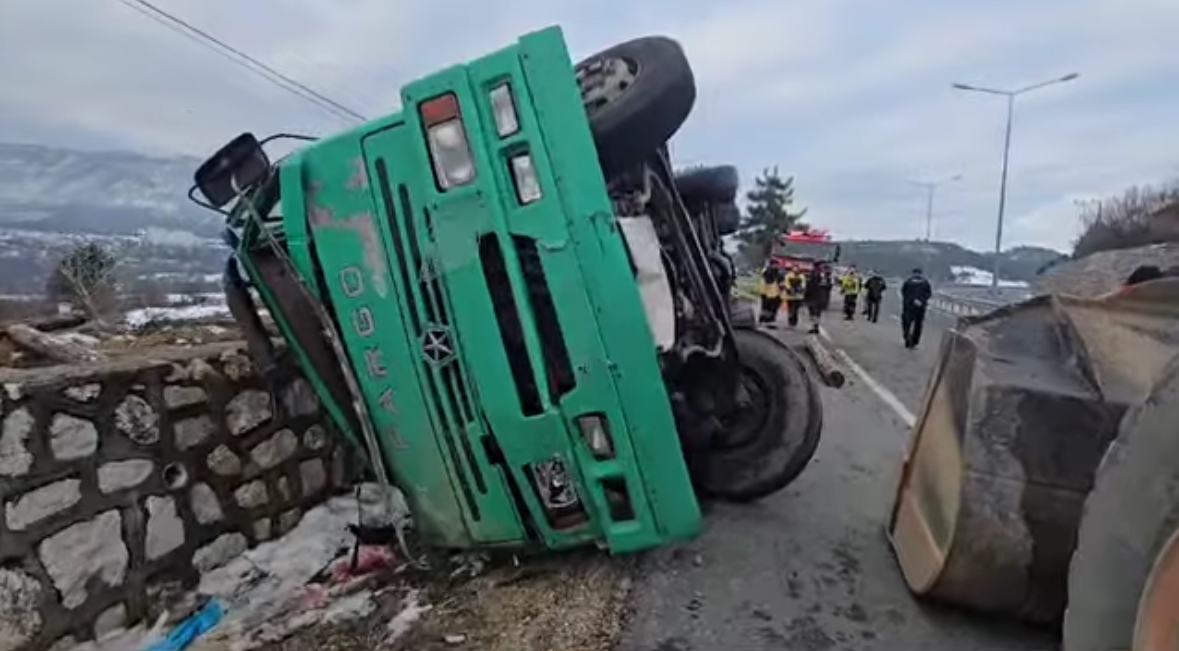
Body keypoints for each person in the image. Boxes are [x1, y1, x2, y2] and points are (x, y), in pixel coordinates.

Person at [900, 267, 933, 349]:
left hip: (908, 306)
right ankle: (914, 341)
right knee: (918, 324)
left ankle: (907, 338)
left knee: (907, 323)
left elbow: (903, 292)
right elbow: (929, 294)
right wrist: (921, 300)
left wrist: (910, 300)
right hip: (921, 306)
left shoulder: (908, 282)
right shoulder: (925, 283)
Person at [803, 262, 828, 334]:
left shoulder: (815, 274)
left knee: (813, 313)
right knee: (817, 313)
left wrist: (805, 295)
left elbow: (810, 286)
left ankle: (814, 327)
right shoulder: (823, 275)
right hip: (821, 296)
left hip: (814, 296)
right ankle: (815, 326)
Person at [759, 261, 784, 327]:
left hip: (764, 292)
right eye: (776, 265)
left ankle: (763, 320)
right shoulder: (778, 273)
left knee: (765, 307)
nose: (777, 266)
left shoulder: (765, 271)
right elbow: (781, 284)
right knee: (772, 308)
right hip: (774, 293)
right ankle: (769, 321)